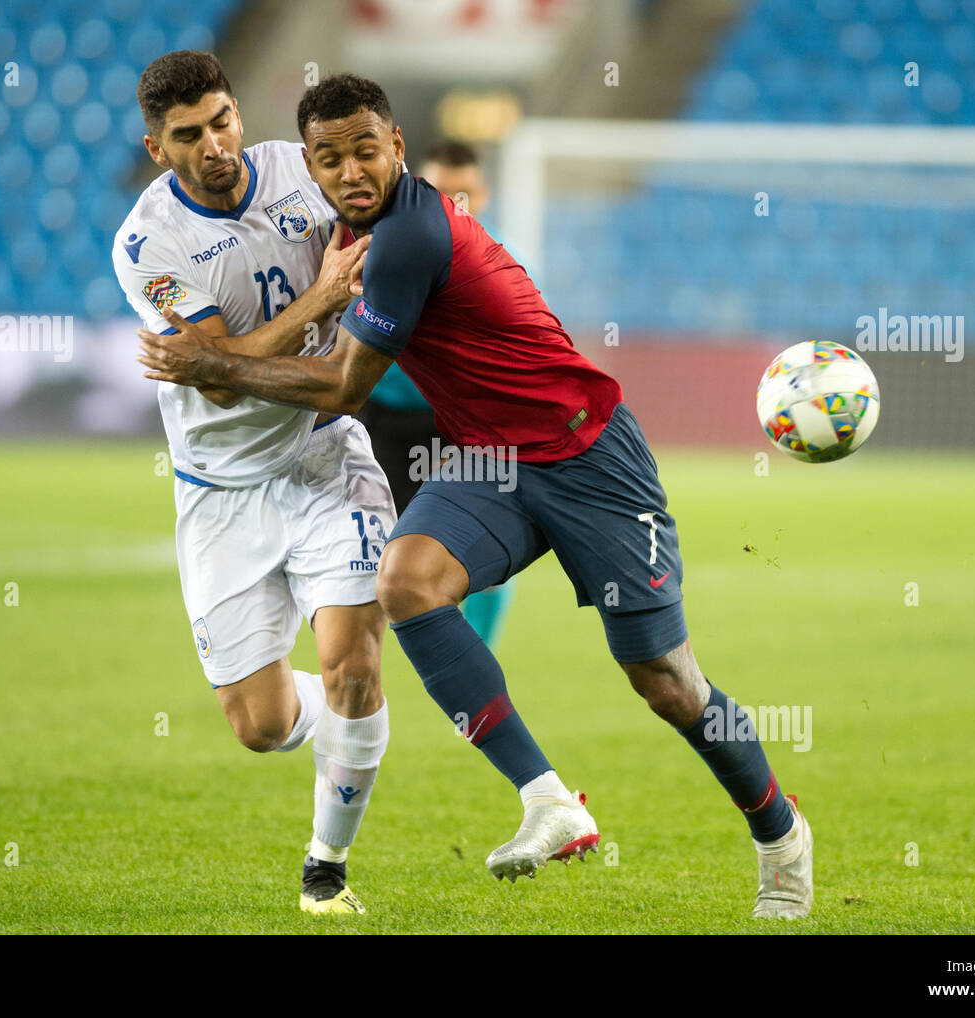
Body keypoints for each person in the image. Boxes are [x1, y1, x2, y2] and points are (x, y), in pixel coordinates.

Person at [136, 73, 813, 919]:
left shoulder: (409, 235)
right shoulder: (342, 229)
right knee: (406, 582)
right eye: (330, 159)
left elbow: (346, 388)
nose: (350, 172)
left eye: (365, 151)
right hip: (492, 460)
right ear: (309, 167)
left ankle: (780, 834)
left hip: (589, 455)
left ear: (399, 149)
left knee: (665, 682)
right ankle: (547, 801)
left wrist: (216, 366)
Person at [113, 52, 396, 915]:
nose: (217, 144)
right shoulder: (146, 243)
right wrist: (316, 303)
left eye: (224, 119)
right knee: (262, 726)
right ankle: (350, 722)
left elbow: (381, 201)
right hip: (220, 488)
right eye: (190, 135)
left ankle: (326, 869)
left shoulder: (296, 168)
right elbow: (221, 374)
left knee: (352, 662)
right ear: (158, 148)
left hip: (324, 453)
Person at [354, 139, 515, 651]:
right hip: (383, 420)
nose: (453, 205)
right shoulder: (379, 251)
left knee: (488, 548)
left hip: (465, 425)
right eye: (442, 192)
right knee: (372, 557)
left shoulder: (506, 267)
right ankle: (359, 675)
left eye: (463, 194)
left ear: (483, 195)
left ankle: (478, 673)